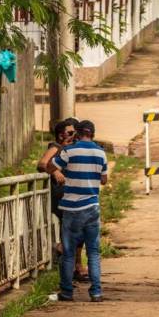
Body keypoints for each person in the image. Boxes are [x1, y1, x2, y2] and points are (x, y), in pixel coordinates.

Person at [47, 120, 109, 302]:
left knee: (68, 252)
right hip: (92, 207)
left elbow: (50, 167)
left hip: (72, 208)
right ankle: (96, 292)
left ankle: (66, 292)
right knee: (94, 252)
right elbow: (104, 180)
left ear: (77, 133)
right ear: (93, 134)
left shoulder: (69, 151)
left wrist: (64, 163)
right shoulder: (100, 152)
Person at [38, 118, 90, 281]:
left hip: (76, 196)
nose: (74, 135)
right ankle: (69, 260)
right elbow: (42, 164)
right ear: (61, 135)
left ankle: (73, 264)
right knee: (75, 230)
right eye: (70, 132)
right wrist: (54, 172)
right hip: (62, 196)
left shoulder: (73, 148)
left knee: (78, 231)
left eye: (76, 132)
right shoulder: (56, 147)